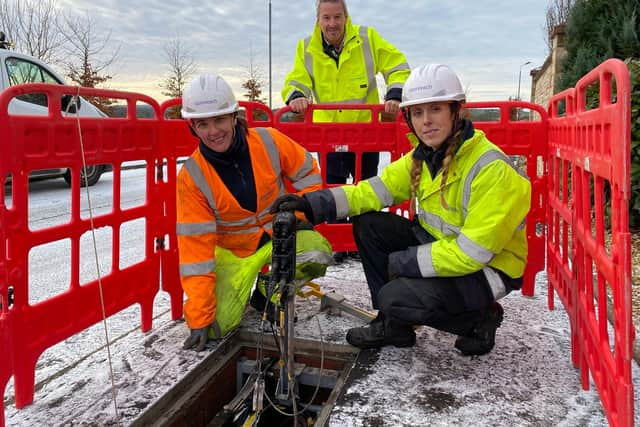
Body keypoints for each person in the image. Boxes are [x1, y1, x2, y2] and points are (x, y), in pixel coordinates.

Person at [271, 64, 531, 356]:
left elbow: (472, 254)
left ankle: (479, 320)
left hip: (488, 269)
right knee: (368, 223)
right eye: (417, 113)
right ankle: (393, 326)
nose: (426, 122)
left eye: (435, 109)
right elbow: (369, 192)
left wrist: (404, 262)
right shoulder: (423, 158)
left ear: (456, 111)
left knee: (396, 297)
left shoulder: (491, 170)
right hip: (441, 245)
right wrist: (311, 204)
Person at [178, 73, 333, 352]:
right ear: (193, 128)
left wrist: (298, 217)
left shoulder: (269, 141)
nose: (213, 131)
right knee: (216, 327)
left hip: (279, 236)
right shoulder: (192, 177)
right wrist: (200, 317)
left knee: (317, 252)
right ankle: (244, 293)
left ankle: (267, 293)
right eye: (203, 124)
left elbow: (309, 174)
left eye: (219, 120)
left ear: (234, 117)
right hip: (233, 254)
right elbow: (195, 254)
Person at [281, 0, 410, 263]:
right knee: (334, 187)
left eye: (337, 17)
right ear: (318, 19)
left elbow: (398, 66)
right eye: (326, 18)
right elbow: (296, 79)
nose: (332, 24)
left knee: (367, 188)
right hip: (331, 135)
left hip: (366, 132)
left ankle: (364, 241)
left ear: (345, 16)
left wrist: (395, 92)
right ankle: (338, 243)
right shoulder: (306, 48)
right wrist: (296, 96)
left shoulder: (367, 38)